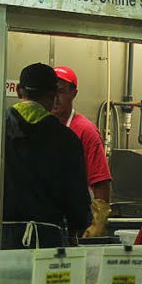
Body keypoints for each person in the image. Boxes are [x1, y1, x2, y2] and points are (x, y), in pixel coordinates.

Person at [1, 63, 92, 249]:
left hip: (0, 239)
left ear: (19, 91)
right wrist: (79, 225)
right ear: (54, 95)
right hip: (47, 242)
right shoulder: (66, 139)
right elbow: (77, 200)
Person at [51, 66, 113, 238]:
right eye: (52, 91)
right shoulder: (43, 126)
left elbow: (101, 181)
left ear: (74, 93)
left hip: (75, 222)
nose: (55, 98)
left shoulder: (85, 131)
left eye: (61, 91)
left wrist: (98, 222)